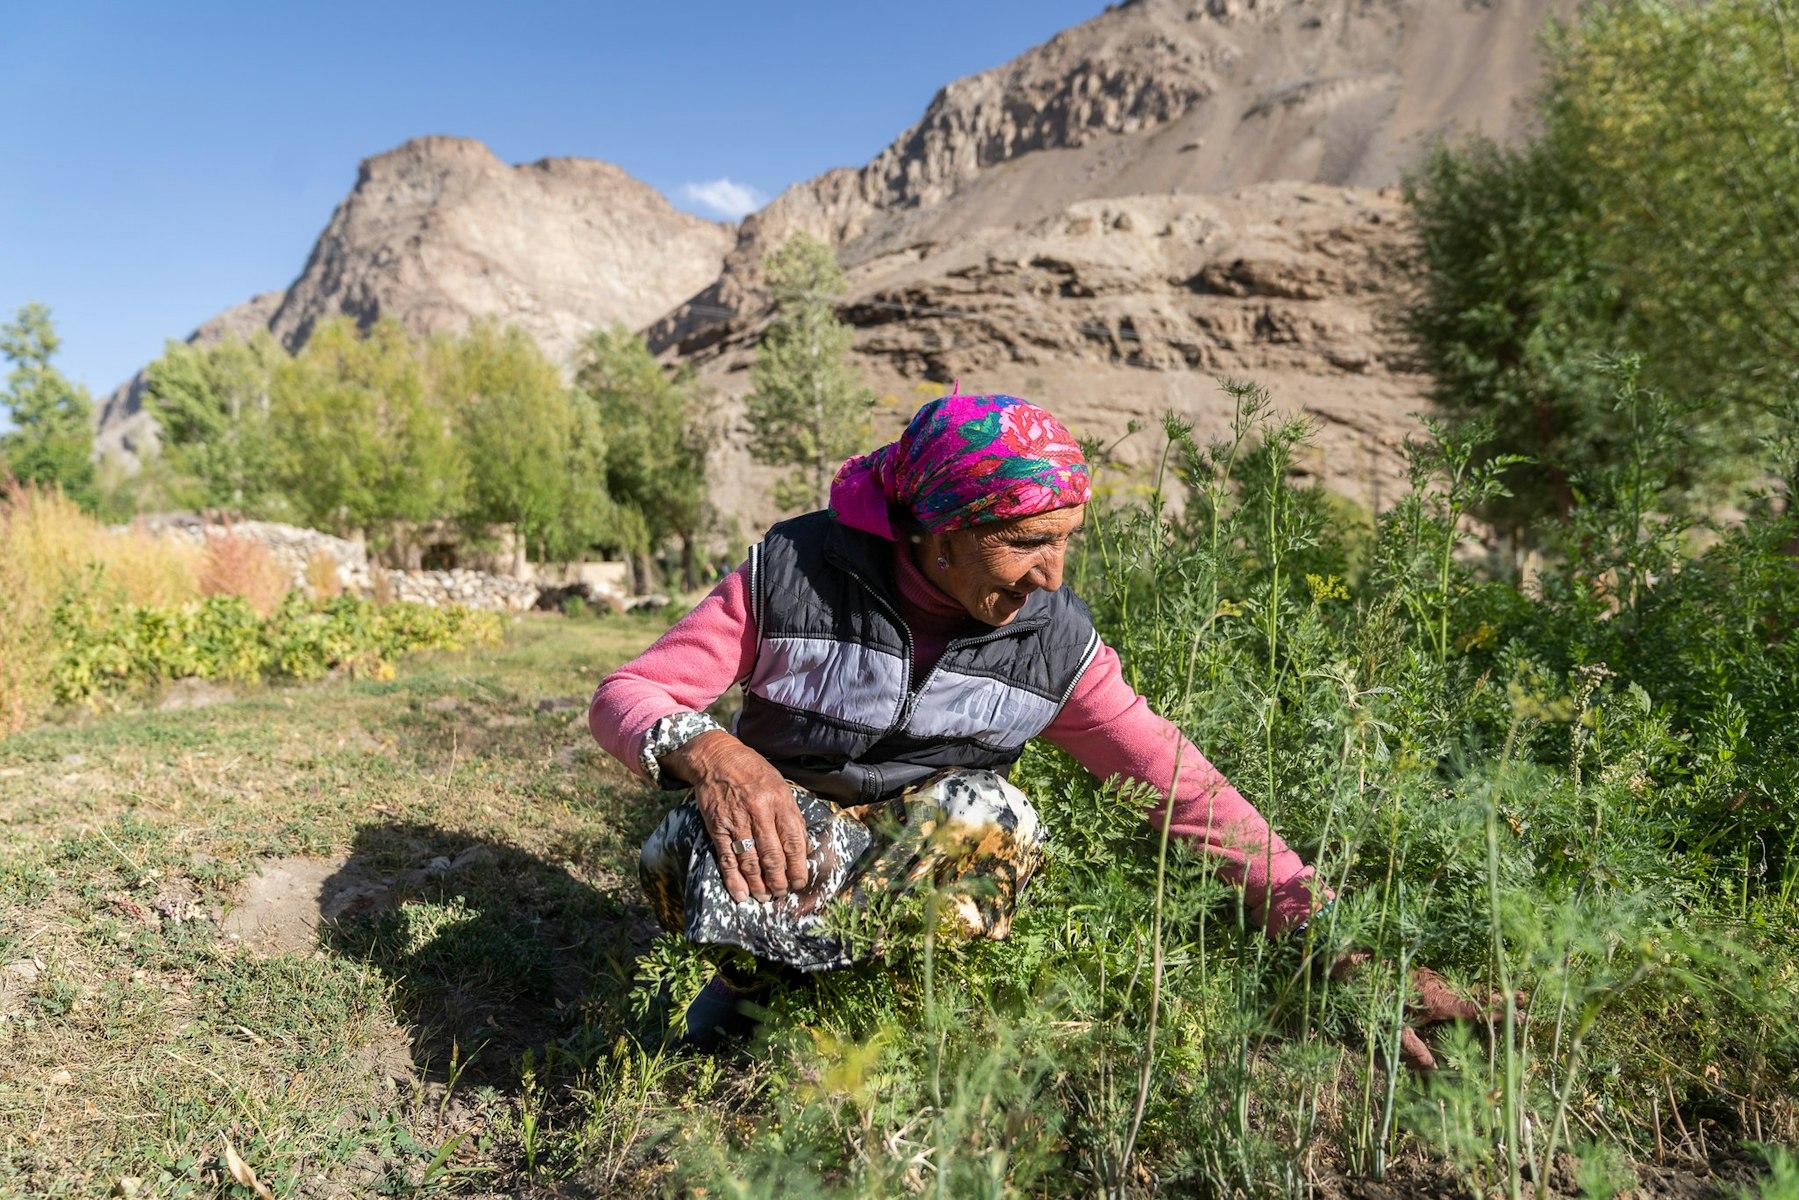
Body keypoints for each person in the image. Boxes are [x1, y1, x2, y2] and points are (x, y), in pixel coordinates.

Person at [589, 391, 1484, 1066]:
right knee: (680, 839)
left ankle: (876, 1011)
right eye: (1024, 543)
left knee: (992, 817)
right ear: (934, 529)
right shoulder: (792, 570)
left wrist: (1331, 944)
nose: (1050, 576)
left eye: (1067, 540)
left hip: (910, 869)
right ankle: (752, 991)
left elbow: (1179, 785)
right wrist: (713, 750)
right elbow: (629, 693)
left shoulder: (1054, 643)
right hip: (791, 843)